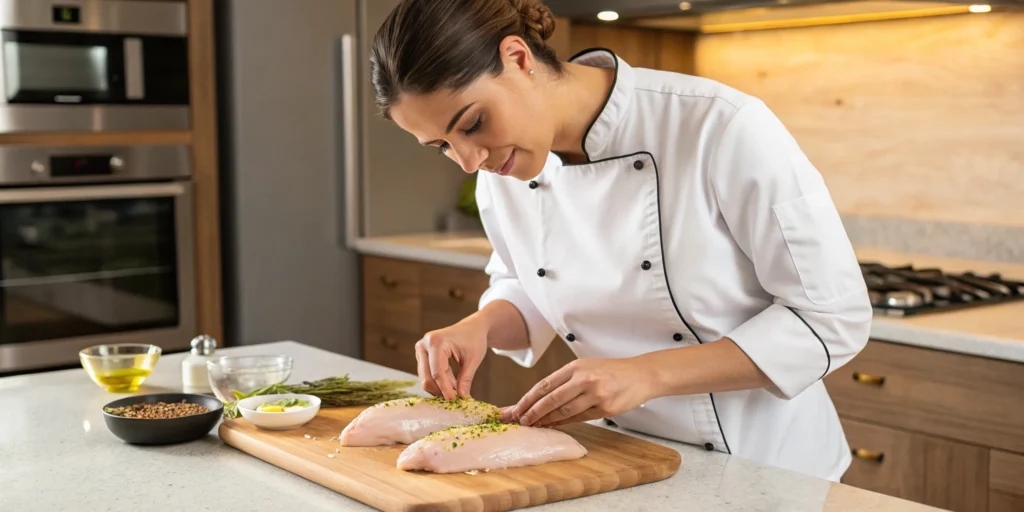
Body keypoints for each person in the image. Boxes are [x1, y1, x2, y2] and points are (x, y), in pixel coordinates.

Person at [369, 0, 872, 482]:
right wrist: (478, 326)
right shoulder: (499, 170)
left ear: (518, 57)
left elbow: (832, 317)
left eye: (473, 123)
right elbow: (530, 284)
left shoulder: (718, 125)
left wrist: (647, 375)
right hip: (628, 455)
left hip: (769, 467)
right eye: (442, 147)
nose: (468, 160)